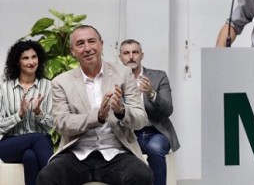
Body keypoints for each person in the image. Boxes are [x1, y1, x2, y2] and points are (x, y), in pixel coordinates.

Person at [37, 25, 152, 185]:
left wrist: (121, 110)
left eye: (92, 41)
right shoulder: (61, 82)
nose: (87, 48)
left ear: (101, 44)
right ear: (72, 51)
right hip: (76, 153)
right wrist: (96, 117)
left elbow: (140, 120)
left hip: (116, 152)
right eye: (80, 44)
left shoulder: (123, 73)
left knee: (142, 175)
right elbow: (61, 123)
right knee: (47, 177)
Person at [119, 38, 180, 185]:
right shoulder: (115, 79)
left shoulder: (159, 77)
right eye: (126, 53)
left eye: (135, 52)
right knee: (118, 154)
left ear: (142, 55)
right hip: (129, 133)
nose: (131, 57)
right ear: (120, 57)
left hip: (156, 132)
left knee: (155, 148)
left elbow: (168, 109)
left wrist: (152, 93)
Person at [0, 40, 53, 185]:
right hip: (9, 145)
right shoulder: (4, 88)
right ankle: (58, 179)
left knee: (30, 156)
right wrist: (19, 115)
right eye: (25, 58)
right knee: (36, 138)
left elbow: (50, 127)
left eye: (34, 57)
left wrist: (38, 112)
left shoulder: (48, 86)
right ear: (17, 62)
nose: (31, 62)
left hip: (40, 144)